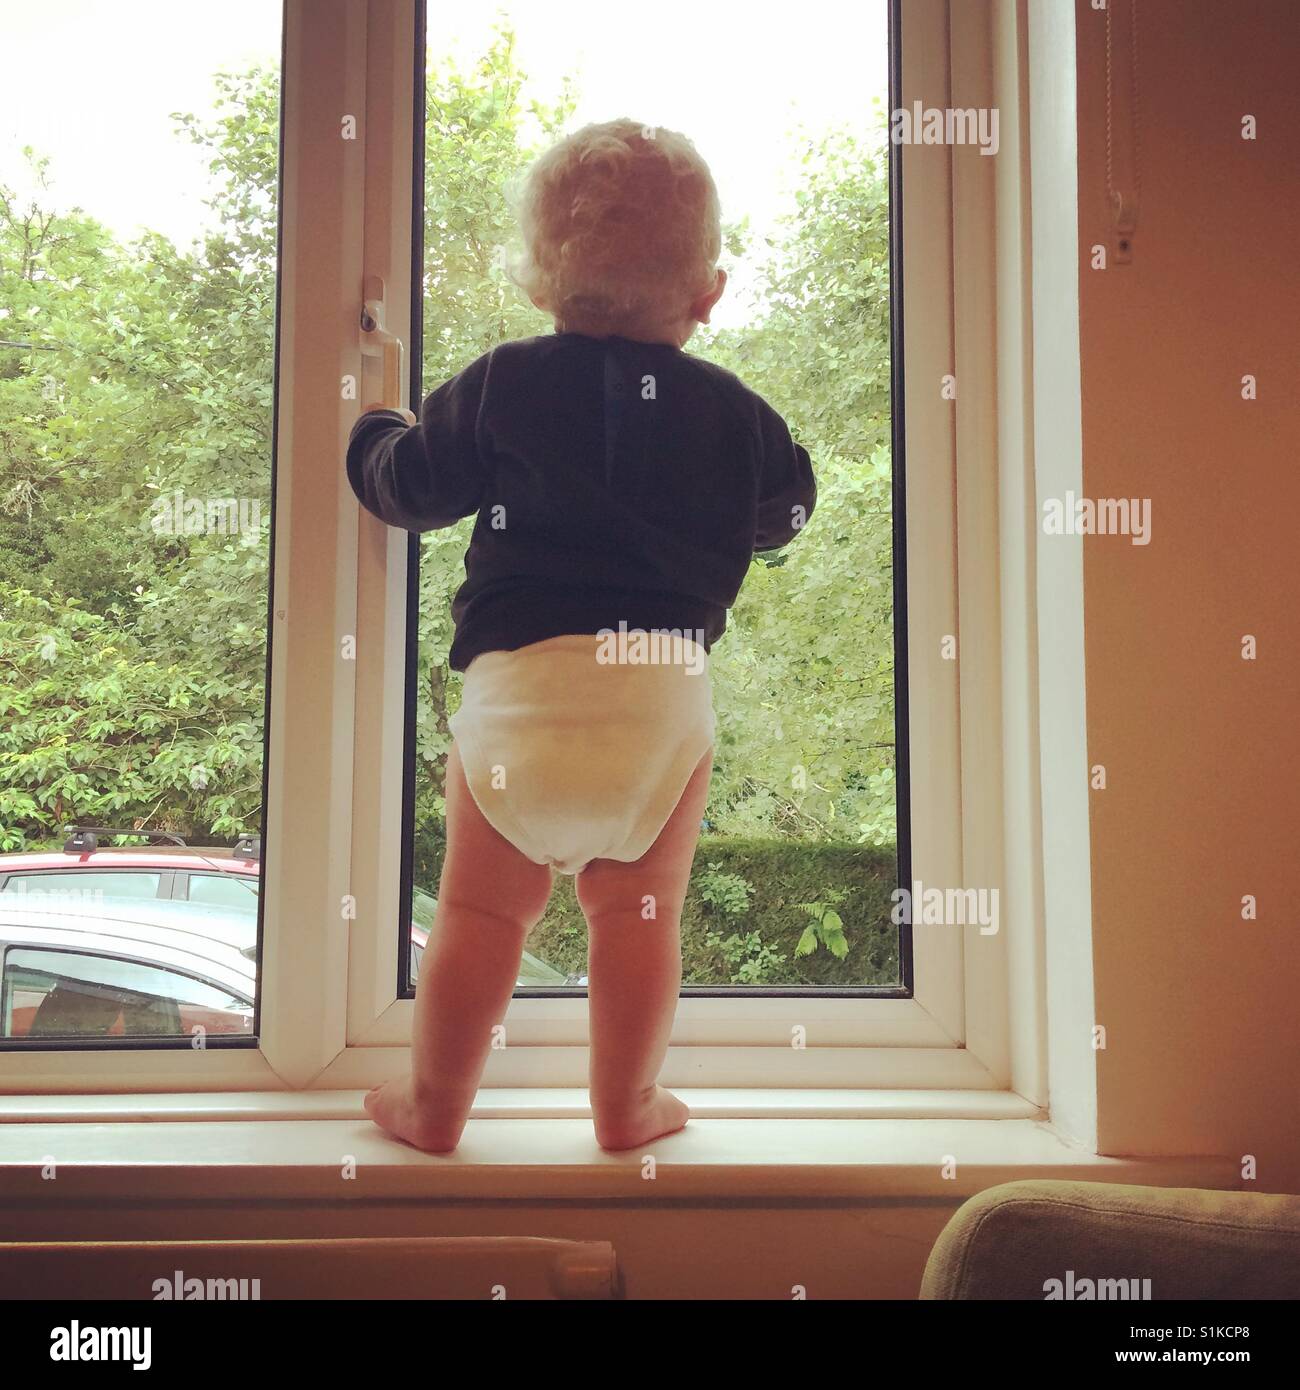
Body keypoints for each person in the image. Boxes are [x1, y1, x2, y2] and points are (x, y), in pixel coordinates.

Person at [346, 117, 815, 1151]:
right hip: (657, 705)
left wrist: (372, 430)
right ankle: (624, 1108)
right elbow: (784, 513)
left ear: (538, 284)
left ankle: (434, 1107)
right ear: (708, 294)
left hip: (524, 696)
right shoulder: (734, 414)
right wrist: (766, 479)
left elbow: (410, 487)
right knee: (639, 916)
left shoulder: (505, 383)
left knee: (478, 917)